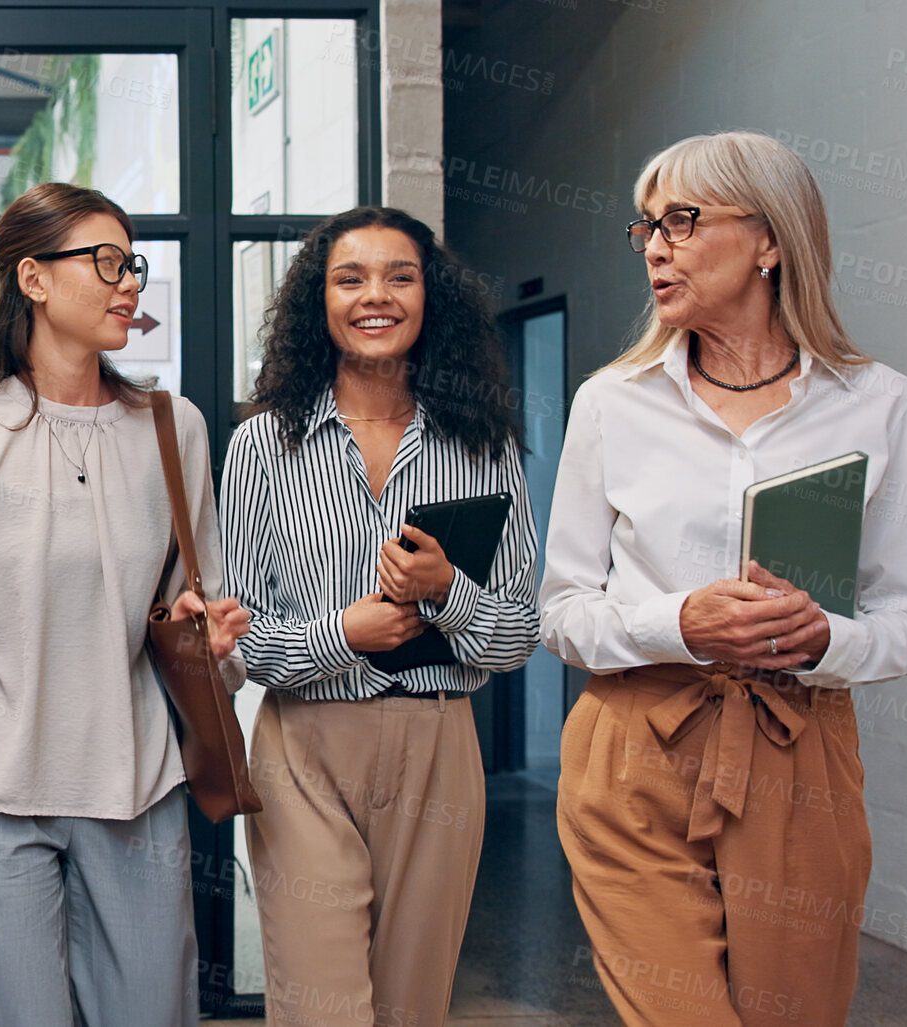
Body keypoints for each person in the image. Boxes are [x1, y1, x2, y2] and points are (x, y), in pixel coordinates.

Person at [542, 130, 907, 1027]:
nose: (658, 246)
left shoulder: (884, 405)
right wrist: (682, 622)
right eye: (646, 227)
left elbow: (906, 622)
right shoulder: (611, 401)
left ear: (771, 240)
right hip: (634, 742)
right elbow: (559, 614)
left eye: (682, 219)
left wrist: (826, 636)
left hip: (800, 749)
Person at [0, 182, 250, 1026]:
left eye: (133, 265)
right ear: (34, 279)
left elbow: (197, 602)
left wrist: (211, 632)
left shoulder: (170, 426)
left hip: (138, 788)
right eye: (106, 263)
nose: (129, 285)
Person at [220, 206, 539, 1027]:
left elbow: (516, 632)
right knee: (319, 1003)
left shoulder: (481, 441)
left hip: (438, 743)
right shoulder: (262, 445)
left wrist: (445, 590)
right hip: (302, 749)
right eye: (349, 278)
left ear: (430, 296)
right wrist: (341, 634)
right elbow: (240, 634)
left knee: (411, 1005)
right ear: (316, 301)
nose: (376, 296)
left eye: (400, 277)